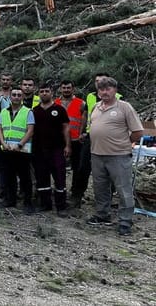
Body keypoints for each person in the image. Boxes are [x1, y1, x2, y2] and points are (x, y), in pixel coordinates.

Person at [86, 77, 143, 236]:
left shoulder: (125, 107)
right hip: (97, 154)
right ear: (98, 92)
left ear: (115, 90)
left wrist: (124, 143)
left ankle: (125, 221)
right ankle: (102, 215)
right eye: (101, 89)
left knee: (123, 189)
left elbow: (138, 132)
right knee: (100, 188)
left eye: (108, 89)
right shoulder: (96, 107)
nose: (104, 92)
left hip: (119, 155)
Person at [77, 73, 123, 208]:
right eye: (97, 81)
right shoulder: (90, 97)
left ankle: (107, 198)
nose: (99, 83)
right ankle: (78, 195)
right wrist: (82, 132)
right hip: (90, 137)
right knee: (83, 167)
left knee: (108, 169)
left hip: (110, 140)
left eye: (102, 81)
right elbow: (85, 115)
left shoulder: (119, 99)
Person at [32, 83, 71, 216]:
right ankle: (45, 204)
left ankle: (61, 206)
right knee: (42, 178)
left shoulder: (59, 109)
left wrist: (67, 145)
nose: (44, 93)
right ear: (38, 94)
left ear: (52, 93)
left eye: (46, 91)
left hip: (57, 149)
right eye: (41, 91)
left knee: (59, 177)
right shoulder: (34, 111)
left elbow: (66, 127)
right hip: (39, 150)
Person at [0, 88, 35, 213]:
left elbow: (30, 130)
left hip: (22, 151)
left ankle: (28, 203)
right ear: (10, 97)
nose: (16, 97)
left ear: (22, 97)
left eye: (19, 95)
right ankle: (10, 200)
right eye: (14, 95)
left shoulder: (27, 111)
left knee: (25, 178)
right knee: (9, 177)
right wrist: (3, 143)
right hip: (7, 150)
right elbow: (0, 129)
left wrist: (20, 144)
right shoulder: (3, 111)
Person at [55, 80, 87, 208]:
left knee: (77, 169)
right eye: (64, 88)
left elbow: (84, 120)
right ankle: (59, 190)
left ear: (73, 89)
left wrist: (81, 134)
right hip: (59, 140)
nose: (66, 90)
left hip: (76, 141)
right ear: (60, 89)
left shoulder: (81, 103)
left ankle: (76, 194)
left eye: (68, 88)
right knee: (58, 167)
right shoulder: (55, 102)